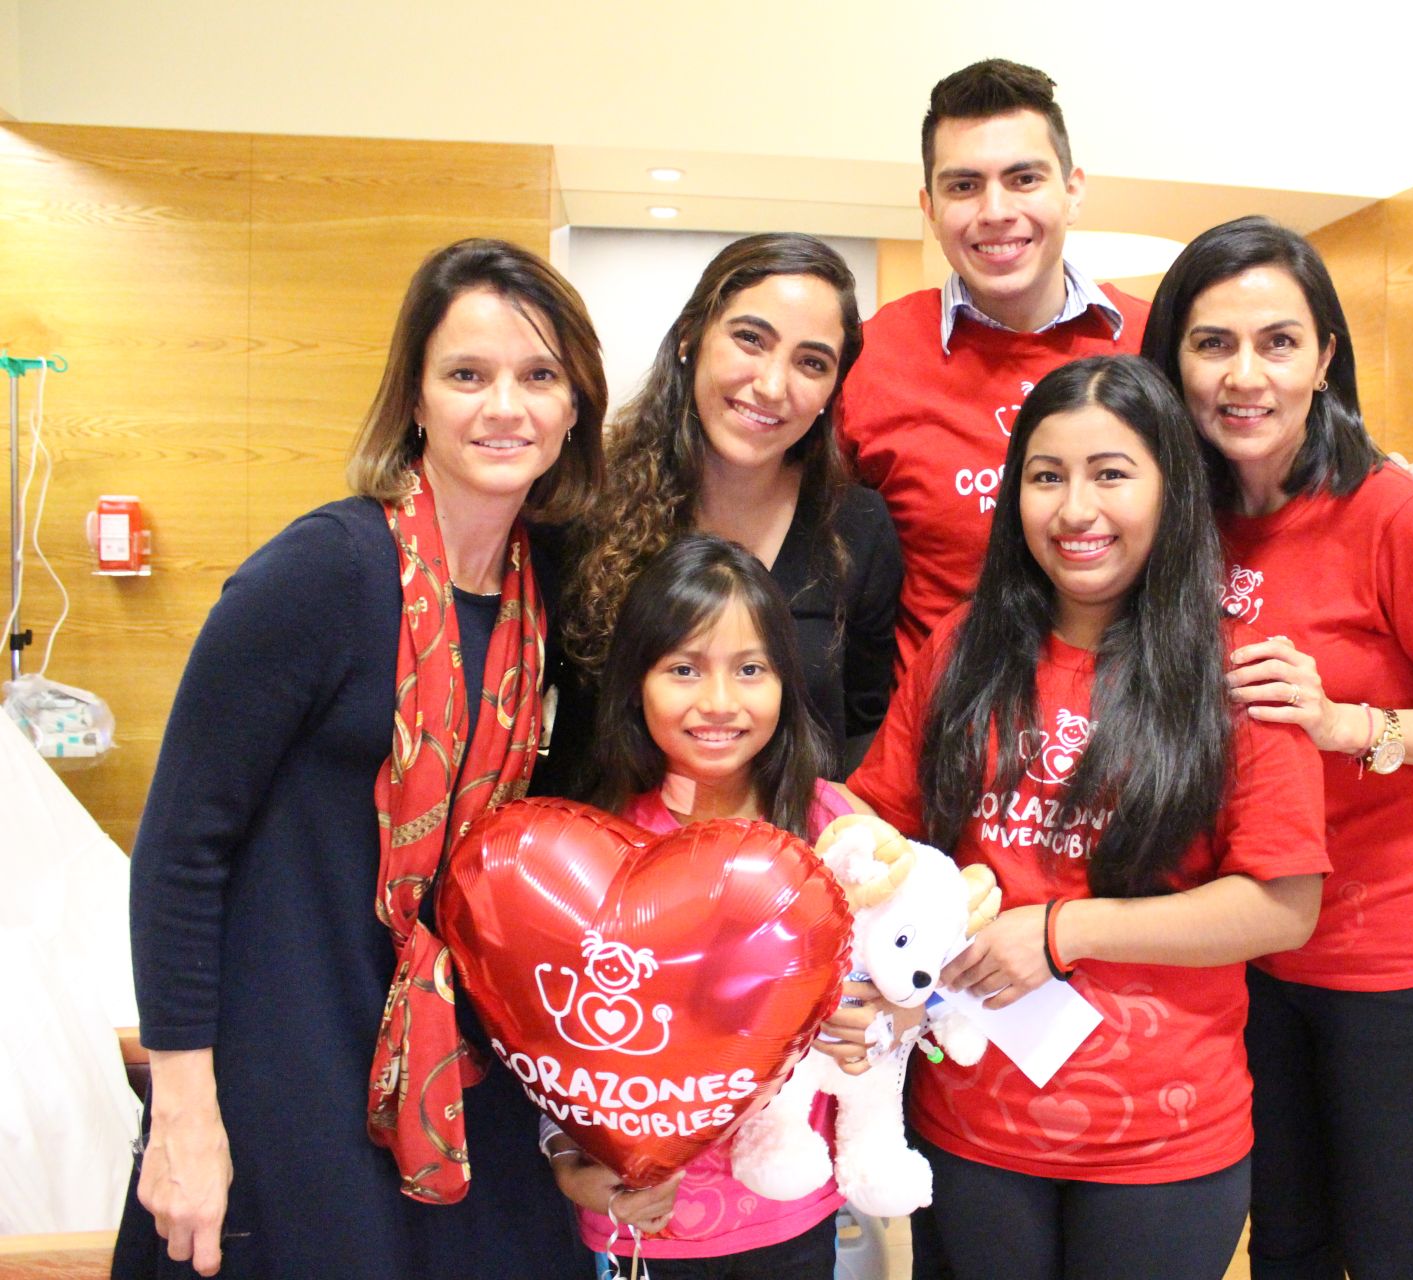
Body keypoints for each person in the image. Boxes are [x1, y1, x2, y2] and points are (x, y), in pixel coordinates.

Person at [115, 239, 608, 1278]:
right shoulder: (323, 573)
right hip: (287, 1067)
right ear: (416, 401)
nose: (503, 406)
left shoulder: (555, 598)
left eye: (538, 376)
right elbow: (179, 850)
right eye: (466, 375)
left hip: (468, 1075)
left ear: (574, 410)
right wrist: (183, 1113)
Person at [848, 355, 1331, 1280]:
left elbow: (1282, 906)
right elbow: (878, 832)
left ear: (1172, 489)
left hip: (1163, 1141)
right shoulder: (963, 648)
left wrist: (1064, 931)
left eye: (1112, 473)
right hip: (968, 1118)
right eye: (1046, 476)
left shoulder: (1239, 673)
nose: (1077, 510)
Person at [1141, 215, 1413, 1279]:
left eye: (1278, 341)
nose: (1244, 374)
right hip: (1246, 945)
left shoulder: (1392, 508)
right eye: (1212, 343)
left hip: (1390, 950)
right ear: (1174, 359)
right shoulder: (1178, 516)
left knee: (1394, 1249)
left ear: (1325, 358)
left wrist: (1344, 723)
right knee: (1288, 1243)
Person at [838, 58, 1413, 675]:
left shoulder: (1172, 344)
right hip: (951, 737)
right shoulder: (867, 359)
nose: (996, 210)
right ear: (928, 204)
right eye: (963, 185)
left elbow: (1280, 462)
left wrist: (1396, 498)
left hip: (1155, 732)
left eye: (1024, 178)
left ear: (1073, 190)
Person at [539, 533, 888, 1279]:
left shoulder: (834, 828)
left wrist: (880, 1021)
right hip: (643, 1229)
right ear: (637, 682)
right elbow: (557, 1041)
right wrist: (573, 1163)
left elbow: (908, 986)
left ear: (786, 683)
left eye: (750, 669)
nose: (719, 703)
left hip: (792, 1211)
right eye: (685, 669)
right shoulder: (594, 846)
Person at [555, 233, 900, 787]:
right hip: (596, 858)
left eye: (811, 362)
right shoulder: (587, 509)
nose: (770, 385)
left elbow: (863, 723)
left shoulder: (857, 529)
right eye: (749, 339)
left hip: (787, 862)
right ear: (691, 336)